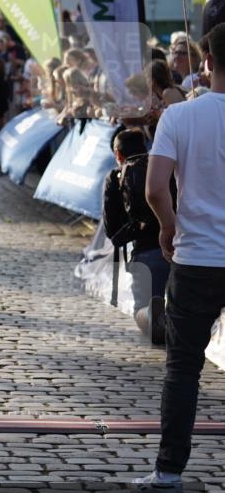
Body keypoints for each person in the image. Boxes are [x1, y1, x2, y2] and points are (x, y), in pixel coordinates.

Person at [135, 22, 225, 493]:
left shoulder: (179, 117)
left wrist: (168, 227)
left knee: (183, 368)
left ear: (206, 62)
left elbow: (154, 188)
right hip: (198, 254)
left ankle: (168, 472)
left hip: (197, 258)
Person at [102, 128, 170, 344]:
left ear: (118, 155)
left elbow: (111, 229)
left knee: (141, 310)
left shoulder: (116, 177)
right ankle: (171, 319)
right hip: (184, 247)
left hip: (147, 252)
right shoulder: (165, 166)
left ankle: (153, 315)